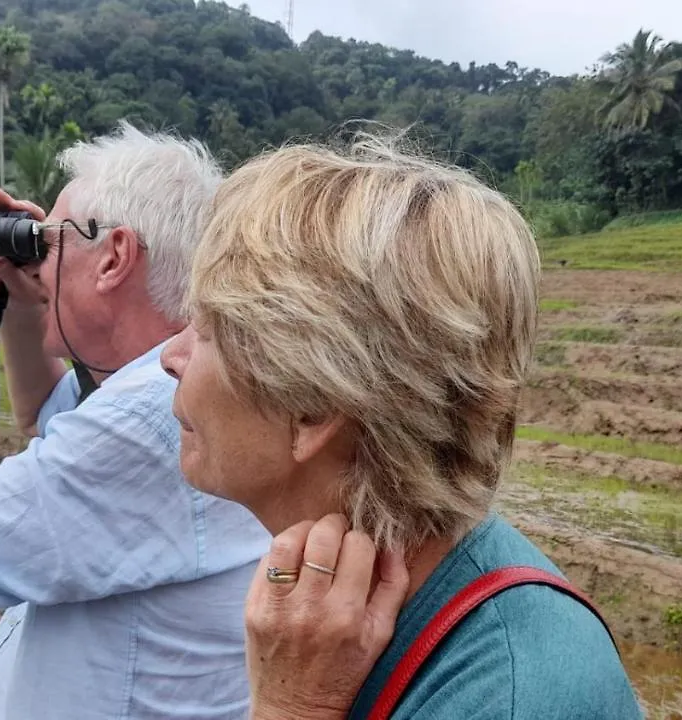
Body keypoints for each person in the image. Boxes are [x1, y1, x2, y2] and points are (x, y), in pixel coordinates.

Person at [160, 136, 643, 719]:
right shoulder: (343, 613)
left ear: (311, 407)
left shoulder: (514, 700)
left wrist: (292, 707)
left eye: (207, 332)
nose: (171, 356)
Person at [0, 122, 270, 719]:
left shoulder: (154, 414)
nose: (40, 257)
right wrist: (22, 299)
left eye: (52, 242)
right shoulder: (160, 382)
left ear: (114, 257)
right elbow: (47, 415)